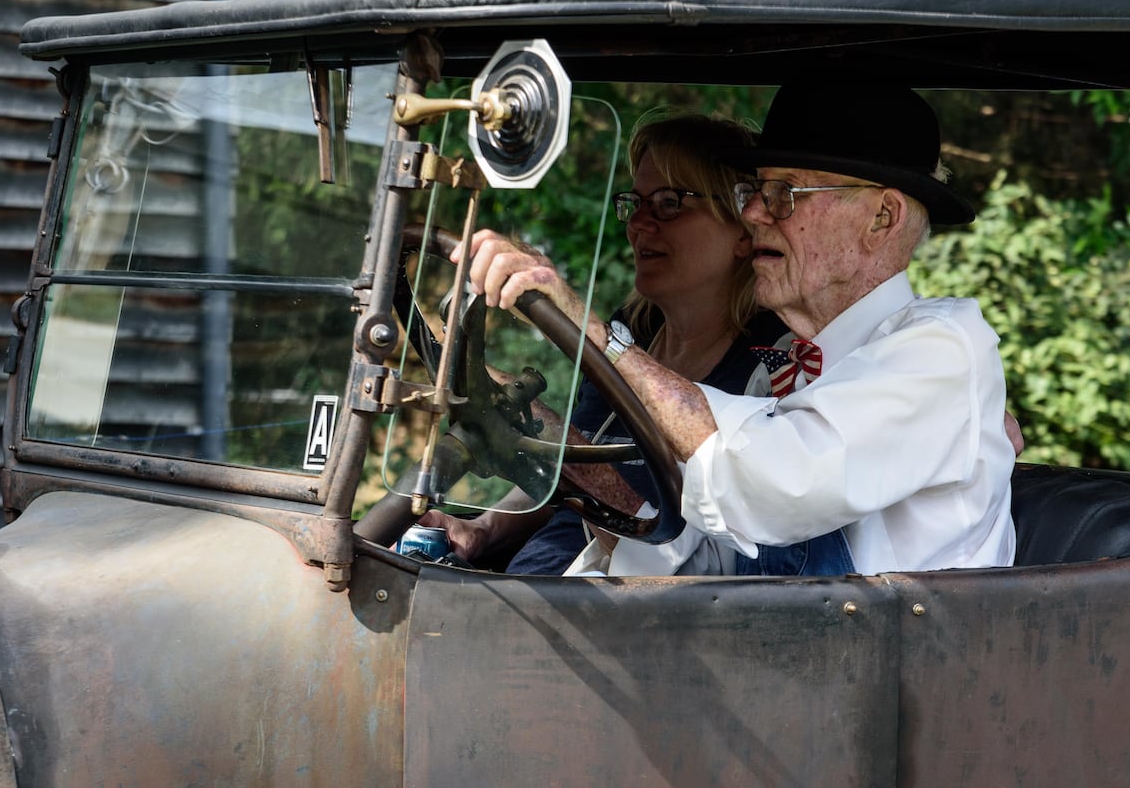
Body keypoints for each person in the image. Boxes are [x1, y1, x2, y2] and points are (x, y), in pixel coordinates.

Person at [456, 84, 1018, 576]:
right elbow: (707, 560)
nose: (753, 214)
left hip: (883, 689)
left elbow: (777, 484)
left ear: (882, 219)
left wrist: (595, 335)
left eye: (786, 194)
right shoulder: (778, 377)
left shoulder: (942, 348)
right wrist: (540, 435)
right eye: (757, 192)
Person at [421, 112, 853, 576]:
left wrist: (542, 435)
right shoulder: (636, 330)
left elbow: (709, 563)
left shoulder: (779, 363)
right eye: (636, 202)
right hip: (541, 585)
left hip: (634, 625)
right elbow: (570, 467)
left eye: (670, 203)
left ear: (743, 227)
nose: (639, 224)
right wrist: (482, 528)